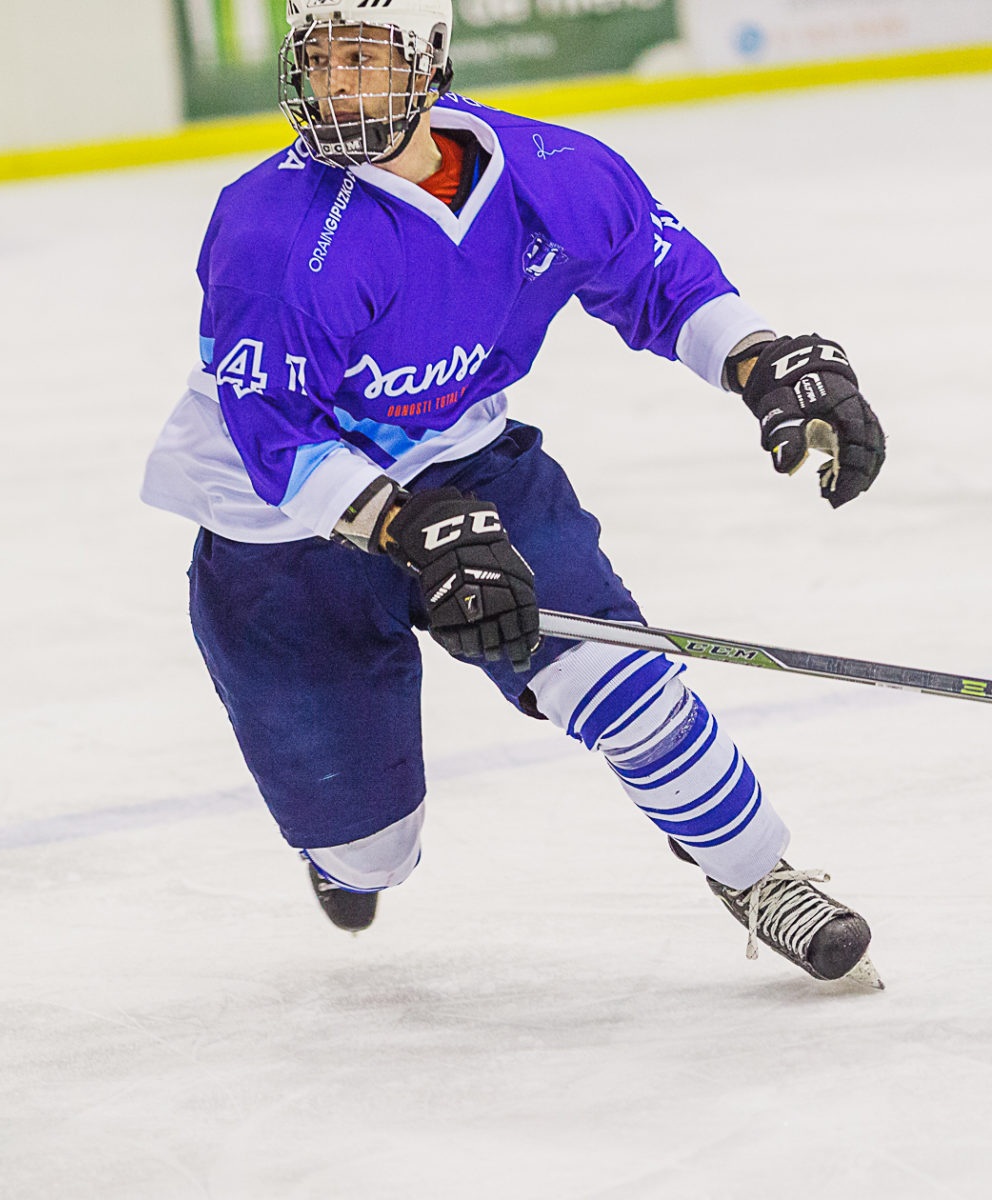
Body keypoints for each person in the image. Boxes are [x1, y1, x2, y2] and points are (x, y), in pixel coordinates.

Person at [141, 0, 889, 986]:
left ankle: (757, 873)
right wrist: (405, 529)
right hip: (279, 530)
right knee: (370, 855)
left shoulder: (552, 173)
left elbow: (663, 280)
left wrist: (761, 364)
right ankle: (345, 848)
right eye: (317, 60)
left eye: (361, 57)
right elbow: (275, 432)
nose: (334, 85)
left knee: (624, 683)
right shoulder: (275, 230)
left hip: (468, 464)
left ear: (431, 59)